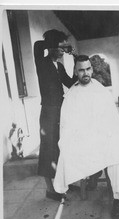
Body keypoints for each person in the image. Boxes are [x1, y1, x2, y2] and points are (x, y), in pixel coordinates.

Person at [53, 55, 119, 219]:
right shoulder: (71, 95)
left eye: (88, 69)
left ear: (92, 69)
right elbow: (67, 125)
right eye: (81, 70)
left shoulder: (101, 91)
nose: (85, 73)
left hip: (102, 138)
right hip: (82, 141)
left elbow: (111, 121)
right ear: (75, 71)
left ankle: (117, 199)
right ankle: (92, 175)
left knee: (115, 155)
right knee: (68, 153)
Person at [34, 29, 76, 201]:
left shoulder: (59, 66)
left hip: (61, 111)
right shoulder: (41, 62)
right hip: (48, 113)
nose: (62, 51)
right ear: (51, 46)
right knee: (48, 149)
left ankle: (62, 182)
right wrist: (56, 42)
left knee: (62, 147)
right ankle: (50, 190)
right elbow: (38, 45)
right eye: (60, 47)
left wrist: (73, 57)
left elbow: (70, 83)